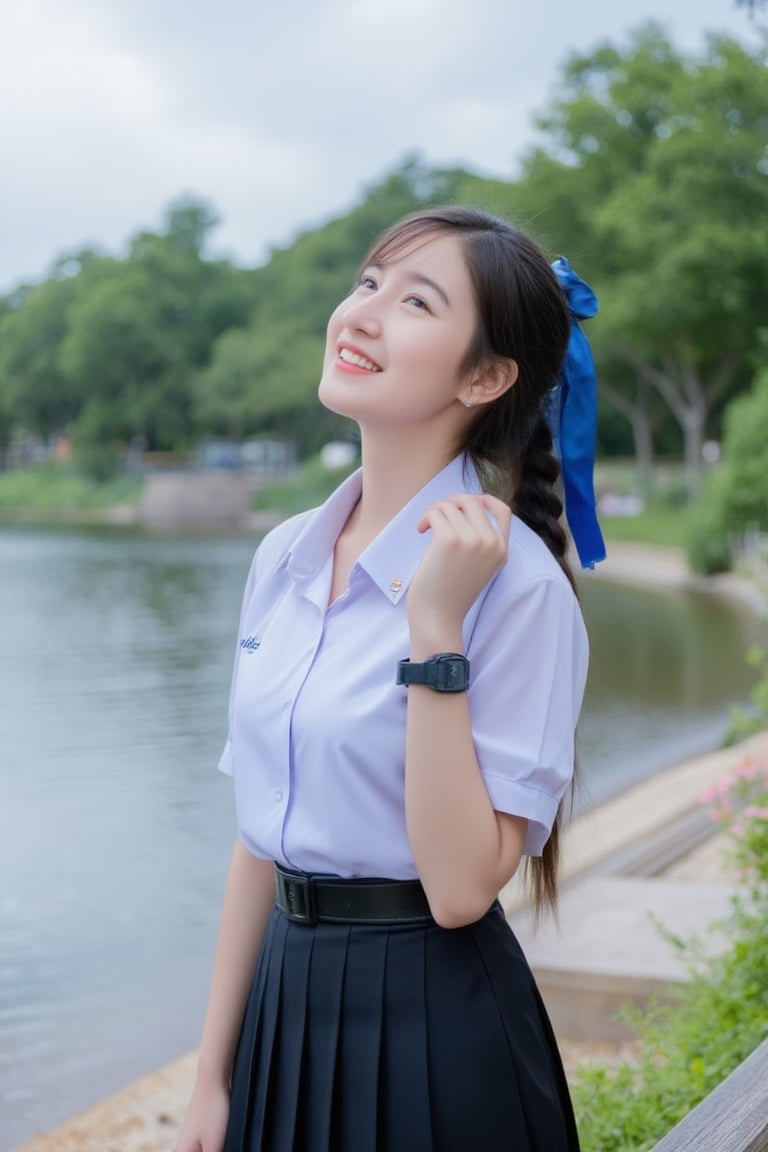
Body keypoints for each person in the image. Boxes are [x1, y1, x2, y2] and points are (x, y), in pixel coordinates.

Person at [174, 205, 604, 1152]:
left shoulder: (520, 591)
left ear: (486, 376)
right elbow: (261, 830)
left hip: (435, 1024)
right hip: (280, 1006)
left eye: (415, 301)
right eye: (368, 284)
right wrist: (211, 1074)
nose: (361, 313)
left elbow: (459, 889)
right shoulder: (287, 556)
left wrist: (434, 630)